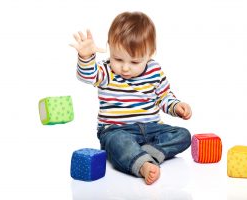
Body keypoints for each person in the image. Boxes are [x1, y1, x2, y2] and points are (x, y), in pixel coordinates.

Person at [70, 11, 192, 185]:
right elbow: (87, 75)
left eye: (134, 62)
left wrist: (177, 106)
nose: (125, 68)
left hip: (152, 129)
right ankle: (142, 164)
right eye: (118, 58)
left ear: (150, 53)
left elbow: (164, 97)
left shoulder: (154, 71)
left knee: (183, 135)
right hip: (116, 130)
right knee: (118, 142)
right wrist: (85, 57)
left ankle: (143, 152)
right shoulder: (107, 72)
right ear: (110, 47)